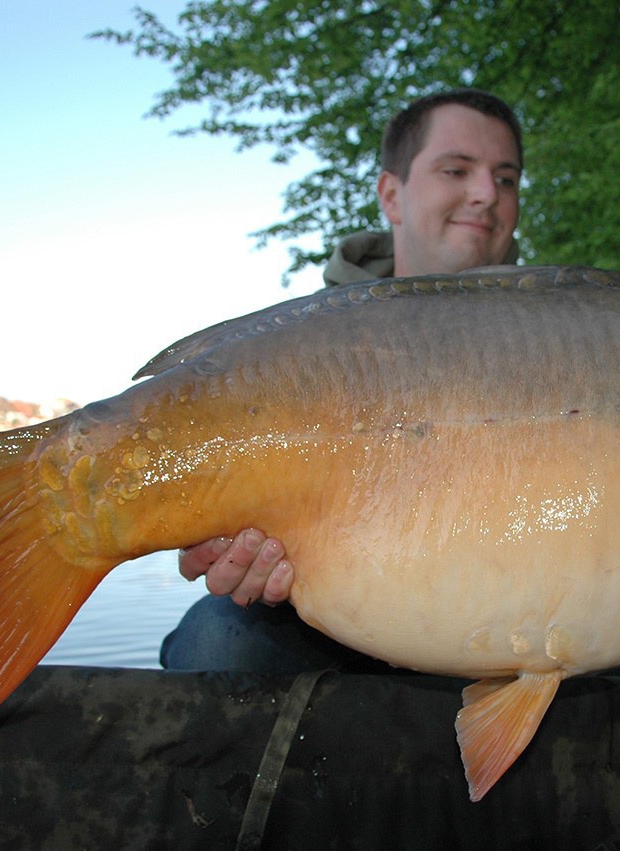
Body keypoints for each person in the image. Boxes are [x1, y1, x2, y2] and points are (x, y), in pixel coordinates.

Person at [160, 88, 524, 671]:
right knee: (218, 642)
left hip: (527, 605)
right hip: (342, 619)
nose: (486, 194)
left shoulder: (571, 339)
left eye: (506, 179)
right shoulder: (301, 350)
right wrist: (231, 539)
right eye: (456, 170)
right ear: (391, 195)